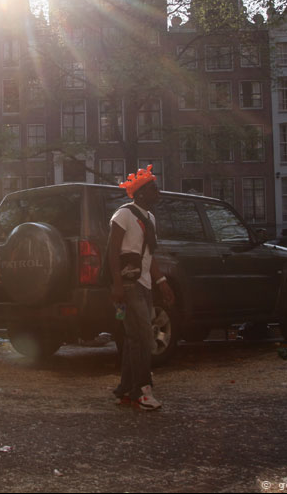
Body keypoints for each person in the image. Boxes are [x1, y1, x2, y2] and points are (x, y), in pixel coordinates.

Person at [108, 165, 175, 411]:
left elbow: (150, 255)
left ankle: (125, 390)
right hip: (128, 284)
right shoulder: (123, 215)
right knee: (145, 337)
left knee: (135, 339)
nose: (158, 192)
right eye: (154, 189)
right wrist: (116, 284)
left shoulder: (151, 219)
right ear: (141, 193)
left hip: (144, 284)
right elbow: (112, 252)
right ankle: (143, 391)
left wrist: (161, 282)